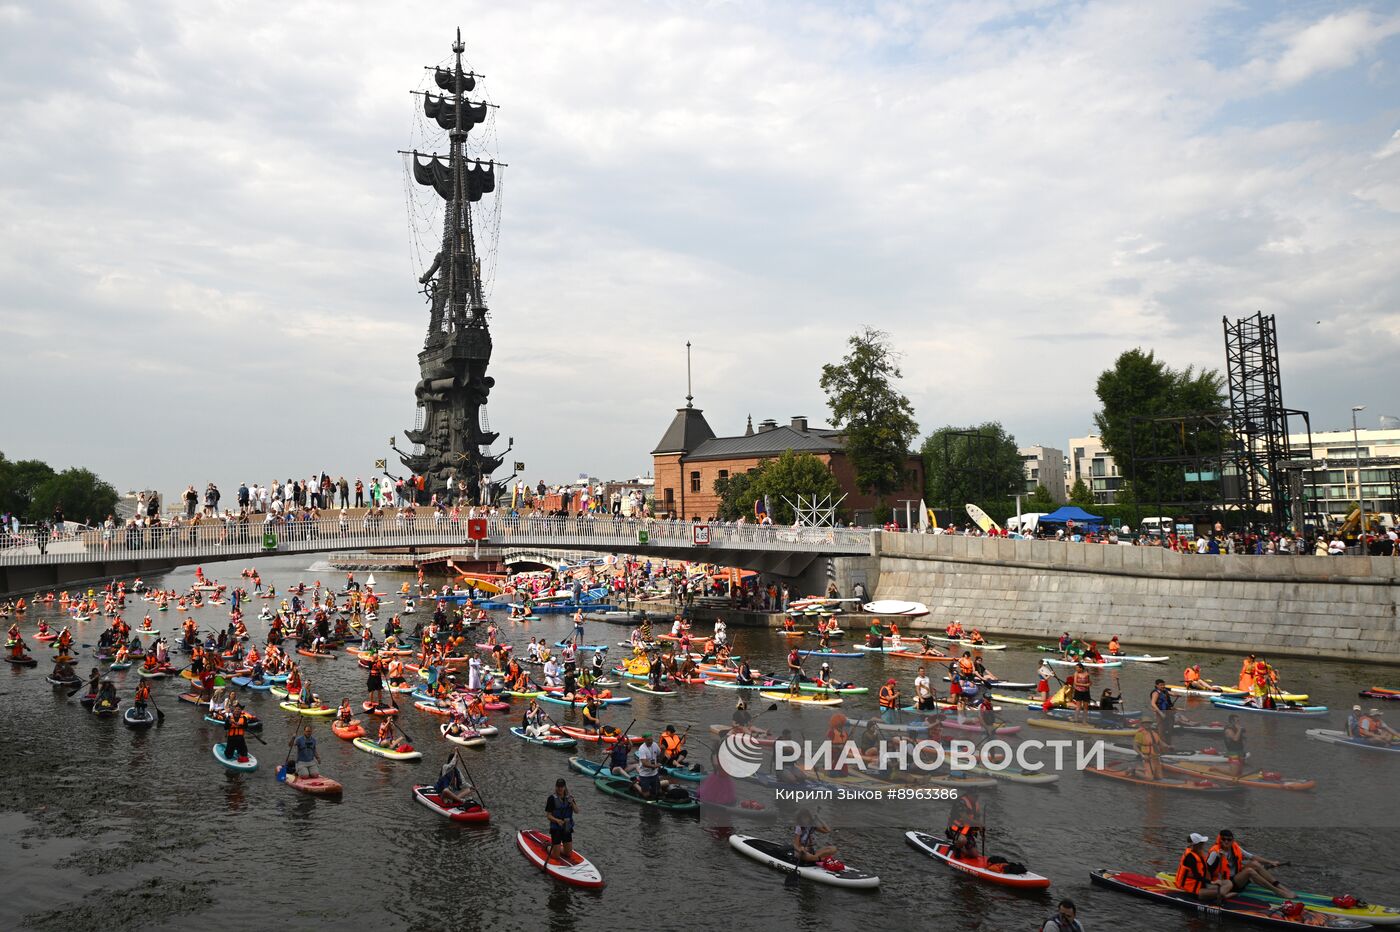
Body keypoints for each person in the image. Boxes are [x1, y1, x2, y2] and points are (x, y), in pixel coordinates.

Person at [1205, 829, 1295, 898]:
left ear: (1232, 840)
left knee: (1255, 864)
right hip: (1227, 883)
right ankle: (1277, 891)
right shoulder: (1215, 852)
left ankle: (1280, 887)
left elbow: (1252, 856)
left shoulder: (1235, 847)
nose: (1226, 841)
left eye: (1229, 840)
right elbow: (1206, 869)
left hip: (1236, 877)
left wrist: (1270, 862)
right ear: (1220, 840)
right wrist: (1210, 885)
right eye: (1223, 839)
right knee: (1249, 871)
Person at [1175, 833, 1232, 902]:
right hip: (1192, 890)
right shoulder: (1190, 857)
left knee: (1229, 883)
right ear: (1195, 845)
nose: (1203, 845)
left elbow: (1208, 869)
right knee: (1221, 891)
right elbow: (1197, 876)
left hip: (1202, 884)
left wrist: (1218, 858)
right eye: (1201, 844)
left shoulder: (1199, 854)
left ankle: (1221, 894)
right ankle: (1223, 895)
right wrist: (1212, 882)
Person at [545, 778, 578, 866]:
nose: (560, 788)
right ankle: (548, 846)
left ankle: (557, 848)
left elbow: (577, 811)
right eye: (558, 786)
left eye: (561, 786)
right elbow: (548, 815)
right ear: (556, 787)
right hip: (556, 828)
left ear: (564, 787)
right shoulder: (551, 799)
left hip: (567, 827)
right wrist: (557, 820)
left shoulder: (569, 797)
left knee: (568, 854)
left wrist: (572, 803)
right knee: (555, 856)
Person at [946, 792, 984, 857]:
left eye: (977, 796)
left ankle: (958, 848)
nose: (976, 798)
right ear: (968, 795)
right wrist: (978, 823)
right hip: (955, 830)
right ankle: (956, 848)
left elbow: (978, 820)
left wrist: (981, 830)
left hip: (967, 832)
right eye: (974, 796)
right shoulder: (960, 803)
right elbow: (965, 818)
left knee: (974, 854)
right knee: (962, 840)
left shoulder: (976, 805)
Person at [634, 733, 661, 800]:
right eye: (648, 740)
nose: (650, 741)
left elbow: (660, 756)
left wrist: (663, 750)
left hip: (654, 773)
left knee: (659, 792)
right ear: (644, 740)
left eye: (651, 739)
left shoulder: (655, 744)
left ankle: (649, 788)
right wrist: (655, 766)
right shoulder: (642, 748)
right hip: (645, 775)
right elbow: (644, 763)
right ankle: (635, 785)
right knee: (646, 795)